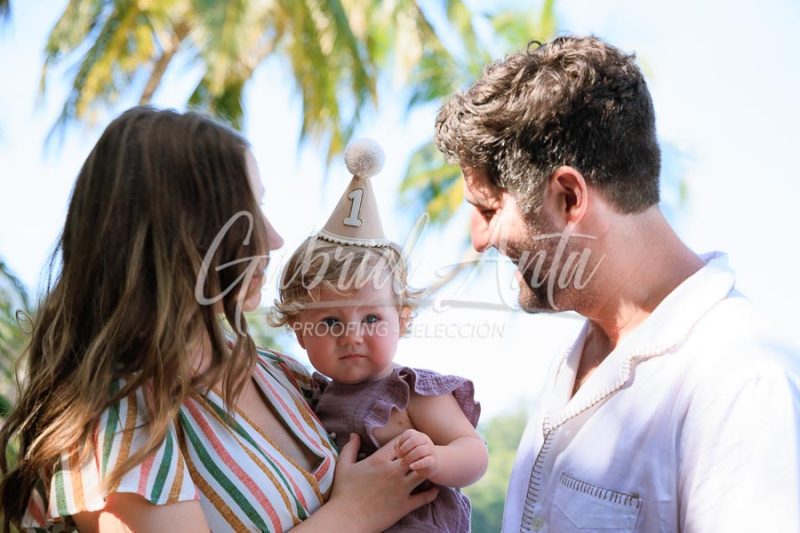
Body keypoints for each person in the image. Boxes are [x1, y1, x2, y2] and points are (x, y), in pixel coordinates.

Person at [0, 107, 438, 532]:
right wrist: (353, 515)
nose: (274, 238)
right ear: (181, 236)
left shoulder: (282, 374)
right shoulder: (117, 420)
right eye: (247, 215)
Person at [434, 35, 800, 532]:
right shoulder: (577, 359)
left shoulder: (740, 383)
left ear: (568, 197)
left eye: (490, 210)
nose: (479, 240)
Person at [268, 139, 488, 532]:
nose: (351, 336)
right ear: (300, 331)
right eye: (330, 322)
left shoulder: (410, 391)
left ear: (401, 320)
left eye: (371, 318)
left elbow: (474, 453)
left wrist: (436, 458)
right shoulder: (310, 399)